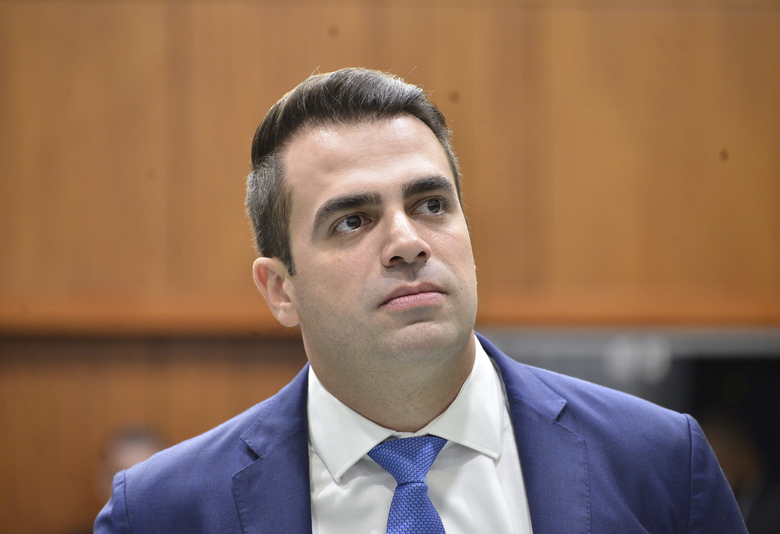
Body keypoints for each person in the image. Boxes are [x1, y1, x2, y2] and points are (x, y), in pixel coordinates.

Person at [95, 68, 746, 533]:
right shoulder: (161, 512)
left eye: (431, 204)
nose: (407, 242)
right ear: (281, 290)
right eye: (352, 221)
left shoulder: (658, 462)